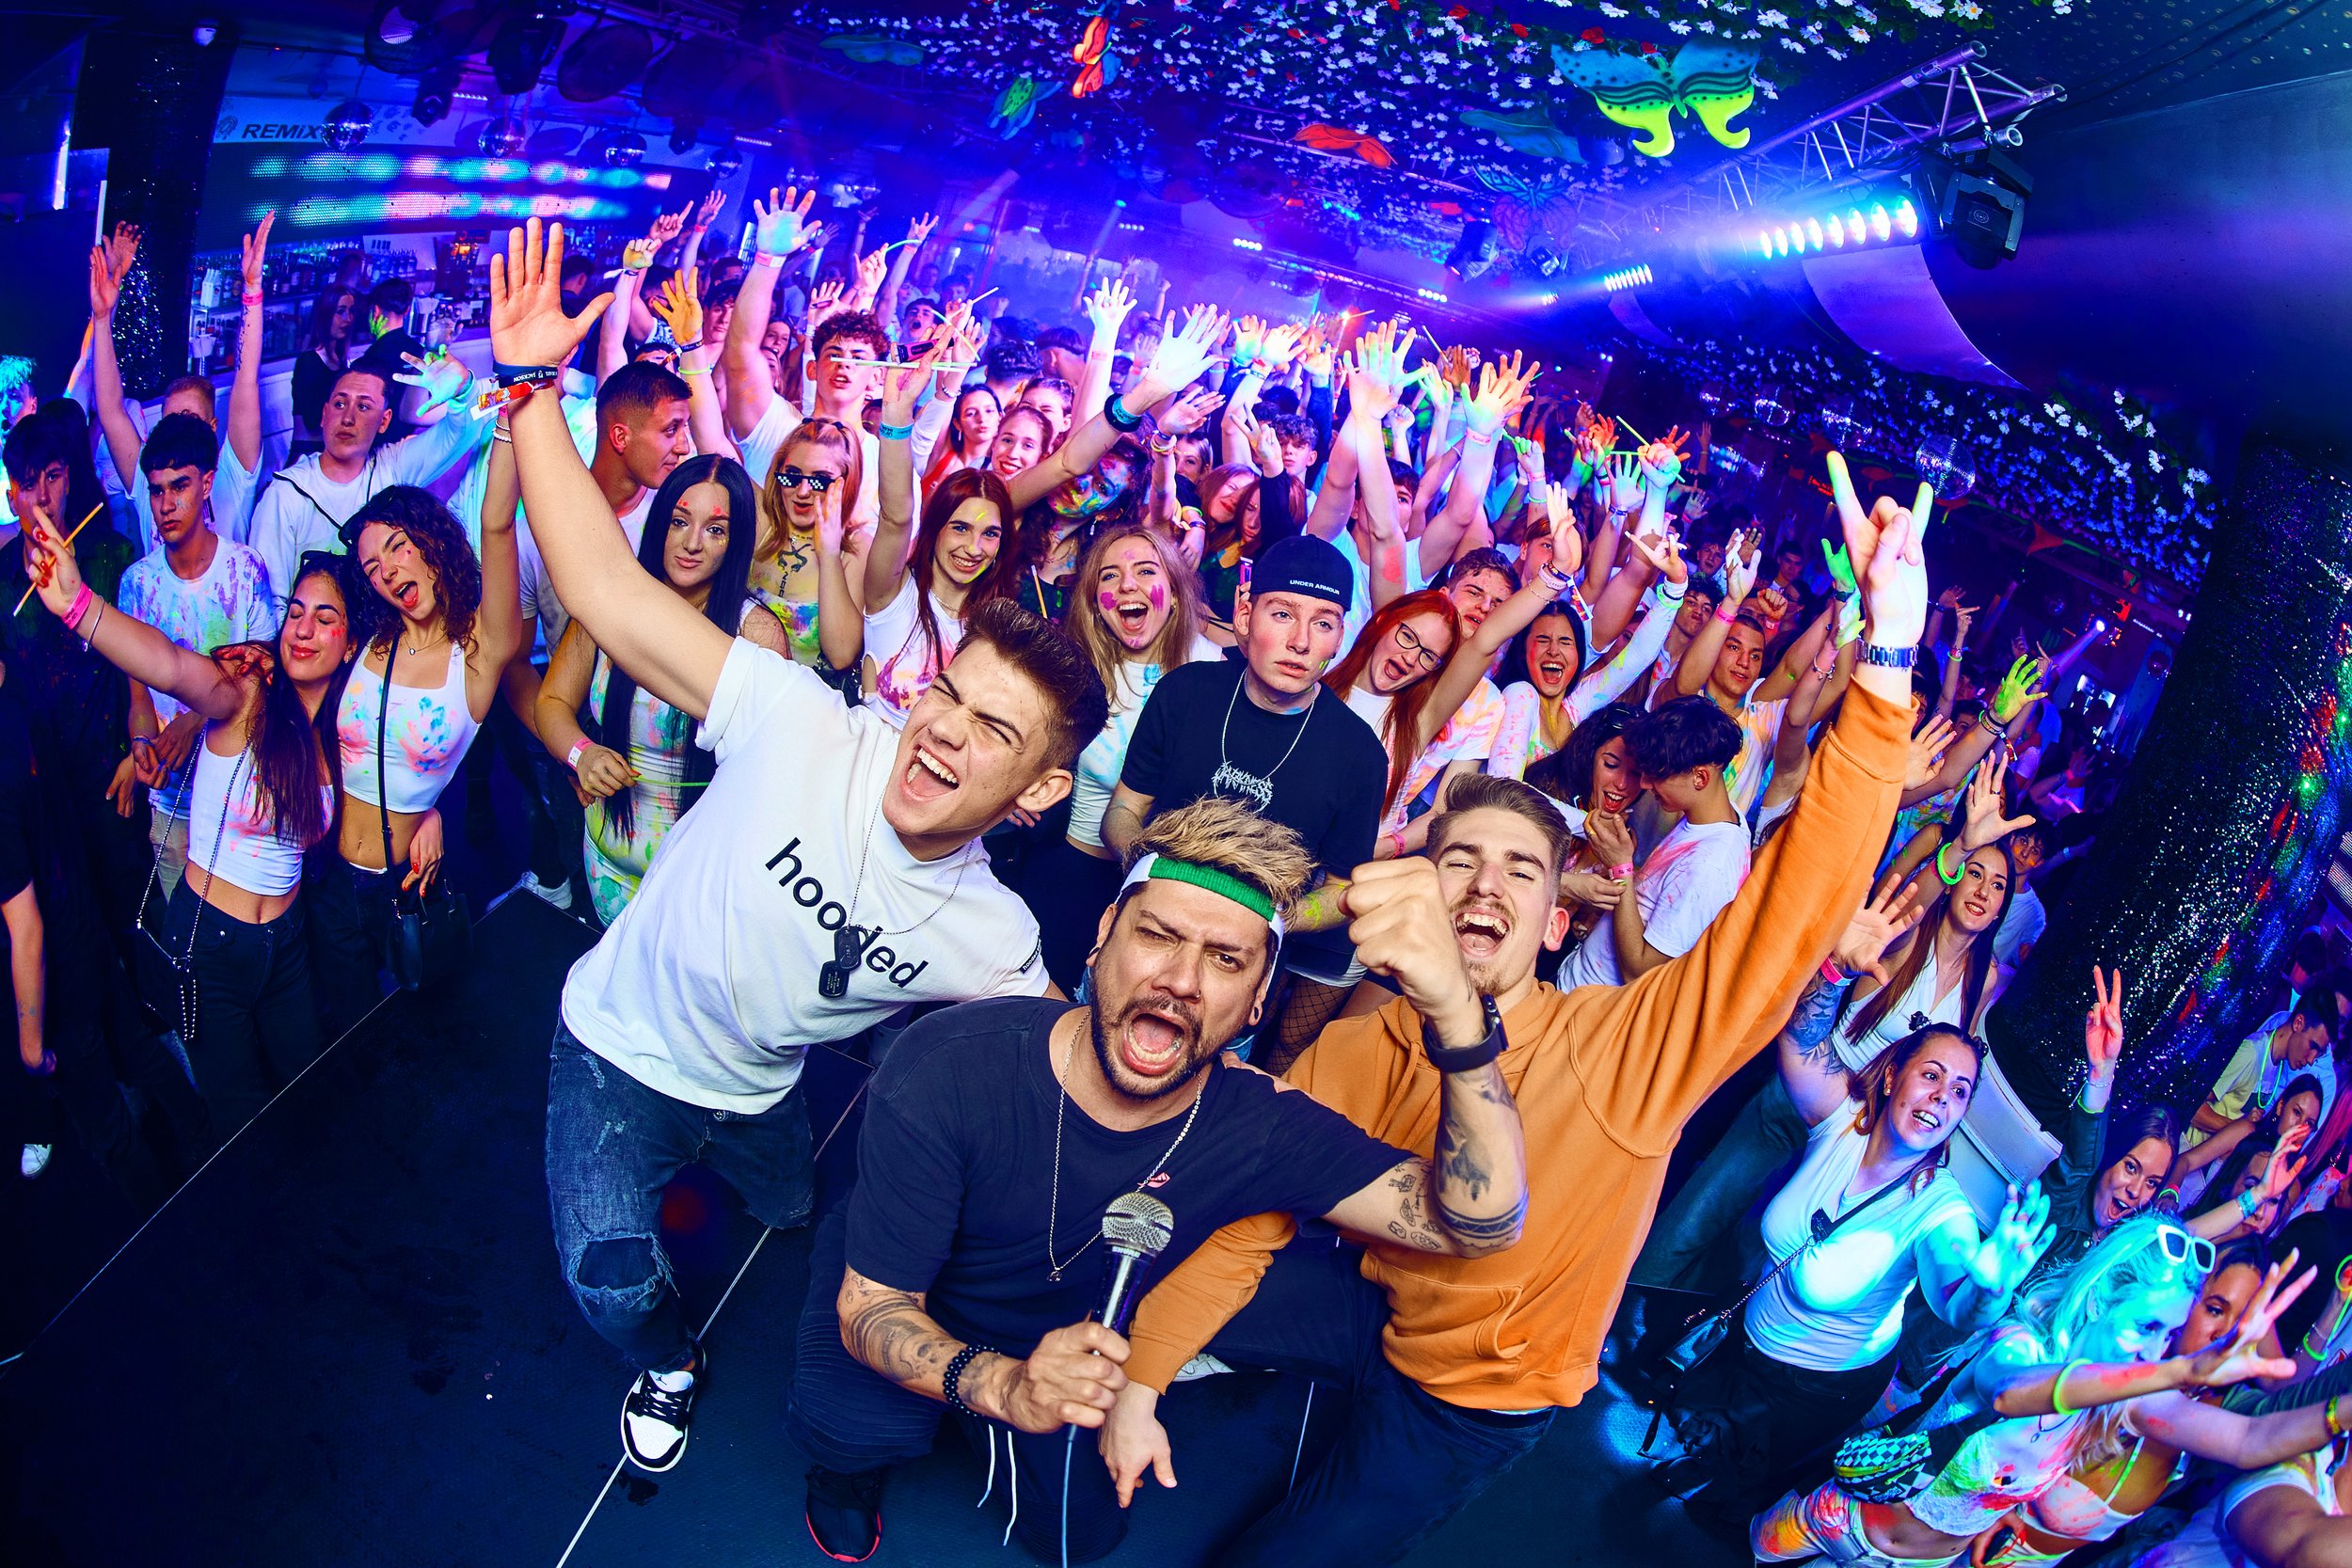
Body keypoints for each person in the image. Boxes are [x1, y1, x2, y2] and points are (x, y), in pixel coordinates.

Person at [1100, 457, 1933, 1567]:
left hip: (1469, 1390)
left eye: (1520, 872)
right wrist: (1139, 1378)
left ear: (1556, 922)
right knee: (1124, 1286)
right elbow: (1252, 1217)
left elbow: (1792, 904)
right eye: (1461, 862)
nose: (1486, 885)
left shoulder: (1628, 1053)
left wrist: (1885, 663)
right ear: (1421, 886)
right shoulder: (1357, 1040)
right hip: (1373, 1300)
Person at [487, 216, 1117, 1473]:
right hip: (616, 1047)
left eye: (992, 731)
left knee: (787, 1202)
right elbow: (609, 593)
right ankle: (673, 1359)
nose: (940, 733)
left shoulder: (992, 932)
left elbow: (1079, 1075)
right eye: (948, 694)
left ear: (1039, 791)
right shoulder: (797, 718)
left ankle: (768, 1184)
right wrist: (530, 393)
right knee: (612, 1276)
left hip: (765, 1088)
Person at [790, 796, 1532, 1562]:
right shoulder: (952, 1062)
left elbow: (1478, 1224)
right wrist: (1002, 1387)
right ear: (1102, 938)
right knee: (852, 1427)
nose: (1180, 980)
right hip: (900, 1272)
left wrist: (1459, 1022)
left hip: (1067, 1341)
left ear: (1258, 1001)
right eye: (1158, 934)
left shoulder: (1260, 1122)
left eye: (1226, 959)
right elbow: (873, 1304)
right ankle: (849, 1467)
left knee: (1080, 1540)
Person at [1628, 758, 2029, 1300]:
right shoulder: (1911, 939)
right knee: (1699, 1215)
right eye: (1975, 876)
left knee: (1752, 1259)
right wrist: (1961, 848)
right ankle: (1612, 1328)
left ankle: (1665, 1354)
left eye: (1998, 885)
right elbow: (1914, 896)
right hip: (1802, 1095)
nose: (1982, 891)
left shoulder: (1986, 984)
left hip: (1855, 1141)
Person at [22, 500, 351, 1144]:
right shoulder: (249, 696)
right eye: (296, 613)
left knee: (313, 1091)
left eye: (326, 618)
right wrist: (78, 605)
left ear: (349, 642)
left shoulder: (342, 733)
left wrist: (428, 822)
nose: (303, 630)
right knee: (242, 1126)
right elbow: (171, 665)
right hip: (211, 946)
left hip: (285, 942)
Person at [1752, 1222, 2336, 1568]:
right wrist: (2178, 1371)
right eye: (2146, 1327)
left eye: (2165, 1335)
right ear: (2102, 1301)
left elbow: (2249, 1437)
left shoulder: (2118, 1404)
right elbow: (2010, 1397)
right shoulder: (2021, 1345)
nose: (2156, 1350)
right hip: (1839, 1518)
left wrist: (2344, 1408)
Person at [1665, 1017, 2052, 1535]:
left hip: (1816, 1387)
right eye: (1931, 1076)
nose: (1941, 1097)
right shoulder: (1844, 1122)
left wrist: (1987, 1289)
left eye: (1959, 1092)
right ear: (1893, 1075)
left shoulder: (1943, 1211)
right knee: (1699, 1436)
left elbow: (1955, 1302)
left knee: (1718, 1502)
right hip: (1750, 1334)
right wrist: (1835, 968)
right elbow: (1798, 1041)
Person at [1101, 531, 1387, 1060]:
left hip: (1238, 984)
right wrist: (1151, 873)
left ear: (1339, 638)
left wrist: (1263, 919)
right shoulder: (1185, 692)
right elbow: (1124, 809)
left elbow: (1345, 891)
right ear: (1245, 613)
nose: (1300, 641)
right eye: (1282, 613)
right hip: (1140, 946)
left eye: (1322, 622)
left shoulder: (1359, 754)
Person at [309, 469, 519, 1024]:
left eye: (398, 546)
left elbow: (497, 526)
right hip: (323, 870)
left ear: (432, 542)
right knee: (342, 1034)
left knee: (422, 1034)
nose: (388, 570)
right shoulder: (370, 638)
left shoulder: (477, 649)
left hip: (403, 883)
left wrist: (508, 412)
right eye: (372, 567)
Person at [532, 455, 770, 925]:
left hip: (694, 890)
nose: (692, 543)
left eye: (716, 530)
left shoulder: (754, 634)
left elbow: (767, 775)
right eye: (680, 521)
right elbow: (551, 703)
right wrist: (582, 756)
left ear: (735, 542)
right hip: (606, 866)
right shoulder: (608, 609)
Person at [1023, 522, 1219, 991]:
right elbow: (1023, 747)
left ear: (1173, 592)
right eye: (1109, 576)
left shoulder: (1213, 675)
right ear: (1094, 602)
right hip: (1073, 873)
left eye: (1145, 570)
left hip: (1167, 893)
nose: (1127, 584)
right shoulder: (1074, 671)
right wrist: (1013, 792)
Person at [113, 414, 278, 901]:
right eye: (156, 490)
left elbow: (265, 679)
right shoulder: (136, 585)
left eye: (179, 486)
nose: (166, 504)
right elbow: (139, 700)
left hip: (242, 793)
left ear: (207, 484)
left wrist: (192, 721)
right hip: (171, 804)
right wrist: (142, 740)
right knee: (188, 953)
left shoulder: (245, 569)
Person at [87, 214, 272, 551]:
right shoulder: (149, 482)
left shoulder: (232, 472)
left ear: (213, 427)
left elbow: (246, 379)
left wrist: (252, 291)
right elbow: (110, 411)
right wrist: (102, 318)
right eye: (172, 420)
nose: (179, 430)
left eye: (189, 419)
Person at [246, 358, 485, 606]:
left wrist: (463, 391)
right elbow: (266, 601)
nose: (347, 418)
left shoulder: (391, 467)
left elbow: (459, 433)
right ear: (324, 414)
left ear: (384, 421)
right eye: (340, 404)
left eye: (363, 407)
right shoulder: (285, 494)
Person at [1554, 695, 1750, 989]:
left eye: (1657, 775)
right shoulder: (1707, 817)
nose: (1644, 784)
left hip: (1590, 1011)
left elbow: (1641, 973)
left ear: (1700, 778)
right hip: (1576, 979)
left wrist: (1621, 867)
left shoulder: (1710, 866)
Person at [2178, 986, 2344, 1167]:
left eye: (2318, 1053)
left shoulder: (2278, 1065)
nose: (2312, 1060)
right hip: (2187, 1159)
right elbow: (2191, 1106)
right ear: (2298, 1023)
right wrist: (2241, 1131)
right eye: (2312, 1045)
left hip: (2208, 1169)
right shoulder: (2252, 1052)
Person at [292, 285, 359, 456]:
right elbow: (311, 420)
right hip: (307, 454)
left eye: (351, 311)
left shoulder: (339, 359)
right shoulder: (309, 361)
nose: (348, 319)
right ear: (326, 315)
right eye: (341, 311)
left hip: (327, 451)